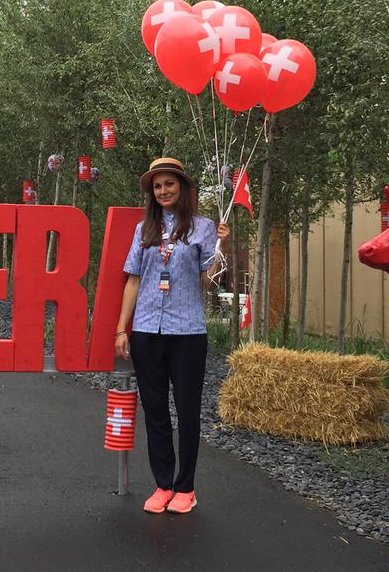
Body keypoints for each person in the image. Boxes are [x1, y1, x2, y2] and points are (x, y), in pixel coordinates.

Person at [115, 157, 229, 515]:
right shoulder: (143, 230)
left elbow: (208, 280)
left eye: (169, 184)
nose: (163, 191)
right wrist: (123, 327)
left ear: (182, 187)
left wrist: (220, 252)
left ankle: (186, 487)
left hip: (187, 332)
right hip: (148, 330)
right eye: (157, 186)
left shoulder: (203, 227)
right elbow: (133, 279)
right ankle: (163, 484)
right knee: (155, 411)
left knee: (188, 409)